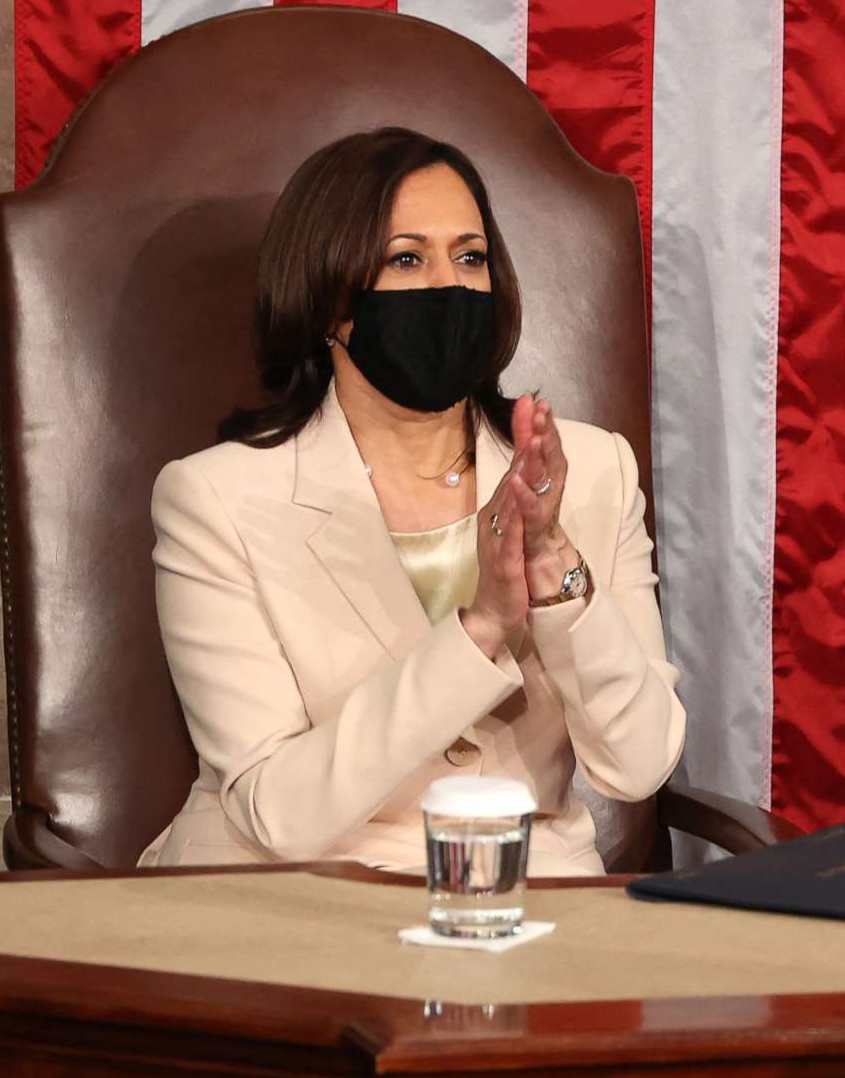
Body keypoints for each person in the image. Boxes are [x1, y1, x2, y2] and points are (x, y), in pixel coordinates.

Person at [140, 127, 685, 876]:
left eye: (469, 257)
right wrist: (482, 627)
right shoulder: (216, 499)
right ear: (331, 300)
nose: (448, 285)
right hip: (292, 897)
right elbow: (278, 812)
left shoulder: (594, 469)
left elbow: (641, 759)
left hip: (521, 905)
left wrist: (553, 562)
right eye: (407, 258)